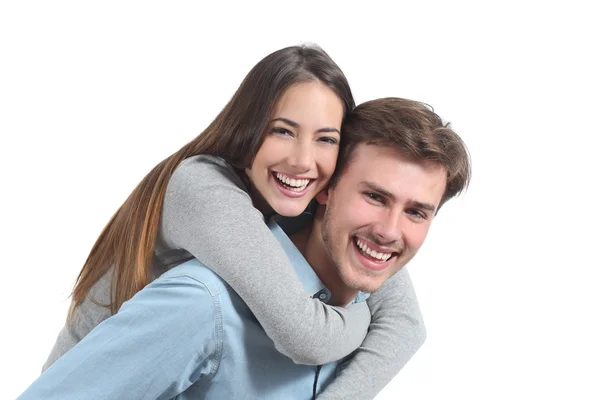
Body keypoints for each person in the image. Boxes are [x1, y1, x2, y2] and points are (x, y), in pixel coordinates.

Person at [38, 46, 426, 398]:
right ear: (248, 128)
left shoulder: (313, 201)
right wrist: (361, 311)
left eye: (325, 139)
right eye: (282, 131)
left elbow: (405, 325)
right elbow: (306, 336)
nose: (302, 161)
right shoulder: (203, 189)